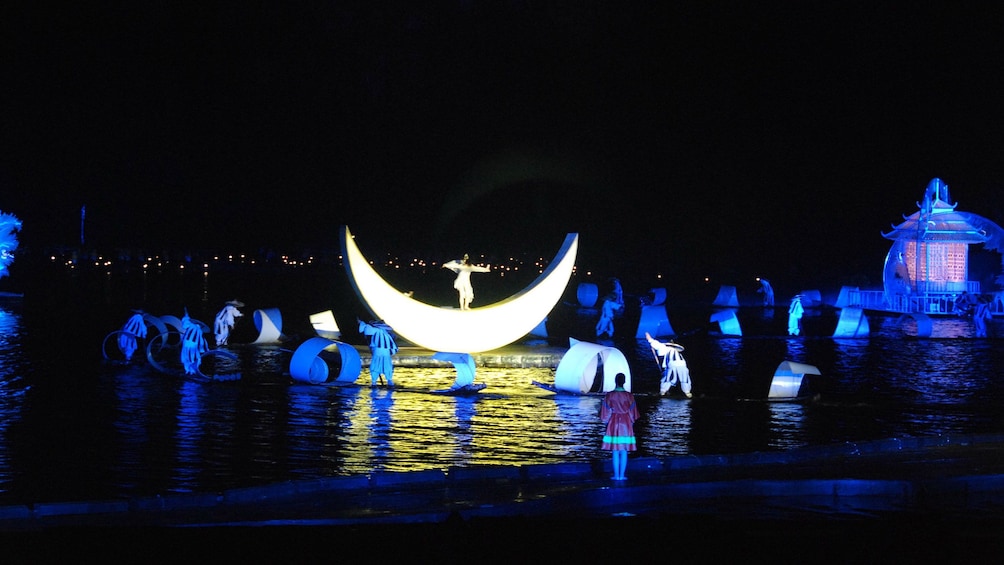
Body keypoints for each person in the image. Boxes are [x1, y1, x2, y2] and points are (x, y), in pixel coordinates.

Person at [600, 372, 639, 481]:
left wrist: (606, 421)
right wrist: (631, 422)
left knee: (615, 451)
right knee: (624, 450)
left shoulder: (609, 395)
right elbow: (633, 413)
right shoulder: (629, 396)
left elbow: (605, 413)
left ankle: (616, 475)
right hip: (626, 423)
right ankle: (622, 476)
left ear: (615, 381)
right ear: (624, 382)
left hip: (614, 422)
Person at [645, 332, 692, 397]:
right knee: (684, 378)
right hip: (683, 366)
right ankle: (688, 393)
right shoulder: (677, 353)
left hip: (673, 365)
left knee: (667, 378)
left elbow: (657, 345)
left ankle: (662, 392)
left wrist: (649, 339)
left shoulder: (666, 349)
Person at [359, 319, 398, 386]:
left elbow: (365, 330)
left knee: (376, 364)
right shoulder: (386, 333)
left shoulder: (376, 330)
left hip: (378, 351)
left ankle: (374, 382)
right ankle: (389, 381)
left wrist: (362, 323)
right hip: (386, 352)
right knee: (387, 365)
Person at [180, 309, 209, 375]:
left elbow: (185, 321)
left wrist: (186, 314)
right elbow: (202, 341)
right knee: (195, 358)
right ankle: (192, 372)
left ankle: (187, 371)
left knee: (186, 358)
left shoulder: (189, 325)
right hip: (193, 346)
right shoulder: (198, 330)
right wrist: (205, 349)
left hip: (185, 344)